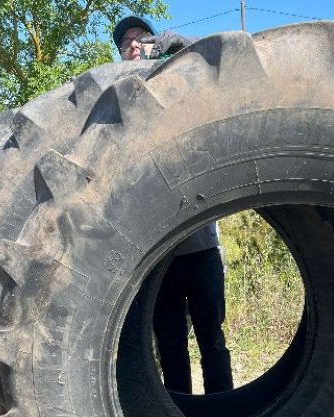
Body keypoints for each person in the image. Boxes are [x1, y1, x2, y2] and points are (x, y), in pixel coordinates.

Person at [113, 16, 233, 394]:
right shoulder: (116, 95)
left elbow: (209, 57)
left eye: (140, 37)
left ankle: (223, 407)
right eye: (126, 42)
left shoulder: (178, 90)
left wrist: (167, 44)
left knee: (212, 338)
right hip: (157, 256)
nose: (133, 43)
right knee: (170, 344)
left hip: (200, 251)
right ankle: (183, 410)